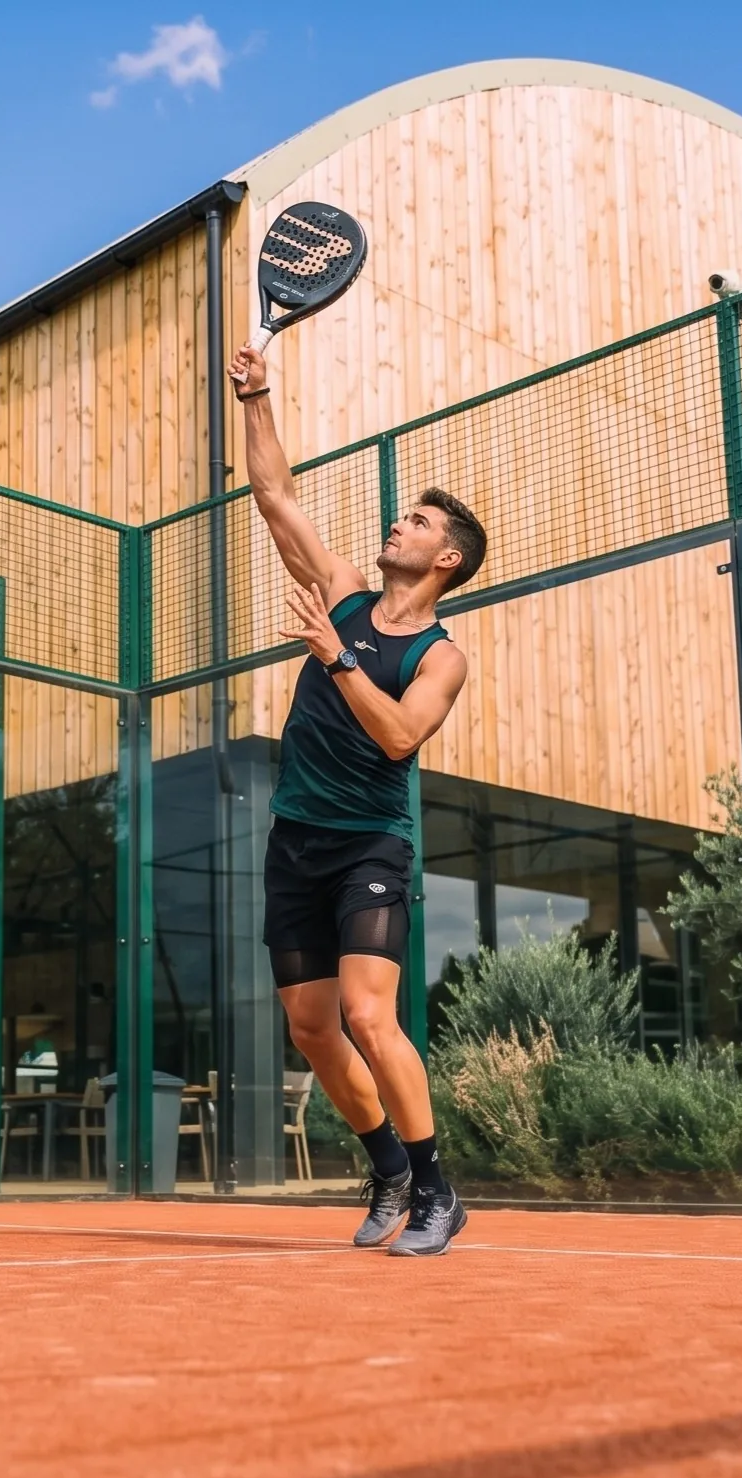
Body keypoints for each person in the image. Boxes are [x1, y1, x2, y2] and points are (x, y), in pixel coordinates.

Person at [227, 338, 485, 1256]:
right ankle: (386, 1169)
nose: (398, 525)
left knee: (371, 1016)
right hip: (296, 838)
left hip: (372, 843)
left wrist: (334, 661)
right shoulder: (338, 593)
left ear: (446, 557)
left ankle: (439, 1191)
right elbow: (274, 498)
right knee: (311, 1027)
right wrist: (259, 400)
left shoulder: (441, 656)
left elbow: (401, 736)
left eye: (416, 522)